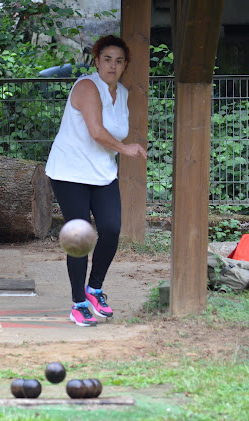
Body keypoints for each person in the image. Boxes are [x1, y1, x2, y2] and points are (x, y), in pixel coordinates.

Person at [45, 35, 147, 327]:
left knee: (112, 229)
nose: (112, 66)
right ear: (97, 61)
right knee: (79, 236)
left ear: (125, 65)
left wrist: (120, 149)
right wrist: (125, 148)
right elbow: (96, 130)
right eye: (107, 59)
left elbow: (113, 132)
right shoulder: (87, 86)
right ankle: (78, 303)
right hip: (70, 173)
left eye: (118, 61)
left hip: (102, 173)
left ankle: (94, 289)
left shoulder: (123, 94)